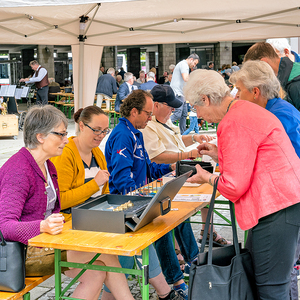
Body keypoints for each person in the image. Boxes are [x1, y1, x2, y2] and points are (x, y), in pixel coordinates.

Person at [184, 69, 300, 300]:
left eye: (196, 107)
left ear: (206, 99)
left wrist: (205, 176)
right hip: (282, 204)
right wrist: (219, 155)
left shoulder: (232, 121)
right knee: (272, 284)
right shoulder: (244, 110)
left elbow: (233, 186)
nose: (198, 115)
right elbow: (251, 160)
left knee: (270, 289)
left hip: (275, 208)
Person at [52, 105, 184, 300]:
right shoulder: (67, 154)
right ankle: (166, 292)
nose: (101, 135)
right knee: (117, 252)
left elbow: (103, 196)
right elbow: (61, 200)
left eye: (105, 131)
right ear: (81, 125)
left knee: (135, 234)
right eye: (96, 130)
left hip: (95, 220)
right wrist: (94, 185)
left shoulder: (98, 153)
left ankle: (165, 292)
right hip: (75, 227)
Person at [105, 89, 196, 300]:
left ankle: (169, 289)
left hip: (135, 202)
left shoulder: (135, 133)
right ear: (134, 111)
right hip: (125, 206)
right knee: (159, 228)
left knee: (123, 263)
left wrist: (170, 167)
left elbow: (147, 169)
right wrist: (142, 200)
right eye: (147, 113)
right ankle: (169, 290)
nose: (150, 117)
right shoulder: (122, 136)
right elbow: (121, 179)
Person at [229, 60, 300, 300]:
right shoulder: (275, 111)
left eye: (239, 90)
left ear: (255, 92)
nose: (236, 97)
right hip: (279, 205)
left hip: (283, 205)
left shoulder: (277, 115)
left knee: (278, 281)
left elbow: (279, 166)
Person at [141, 84, 230, 245]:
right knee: (204, 187)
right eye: (170, 107)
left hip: (179, 169)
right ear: (156, 105)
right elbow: (157, 157)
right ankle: (181, 247)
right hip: (166, 176)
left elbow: (175, 139)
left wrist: (194, 138)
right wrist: (189, 154)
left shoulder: (165, 121)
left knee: (208, 185)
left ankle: (207, 231)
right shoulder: (149, 126)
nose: (173, 111)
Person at [0, 106, 69, 277]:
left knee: (98, 268)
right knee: (97, 255)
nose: (66, 140)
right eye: (61, 134)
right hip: (19, 255)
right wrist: (43, 226)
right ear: (40, 137)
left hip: (41, 244)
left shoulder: (48, 165)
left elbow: (53, 212)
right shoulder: (18, 170)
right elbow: (5, 227)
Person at [244, 42, 300, 110]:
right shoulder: (284, 75)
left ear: (263, 62)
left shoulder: (295, 82)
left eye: (253, 69)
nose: (253, 75)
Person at [170, 53, 199, 134]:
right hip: (178, 93)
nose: (194, 65)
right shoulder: (184, 65)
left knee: (184, 114)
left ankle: (182, 134)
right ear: (191, 60)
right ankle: (164, 124)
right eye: (194, 63)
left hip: (181, 93)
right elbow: (186, 78)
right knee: (178, 114)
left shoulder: (183, 64)